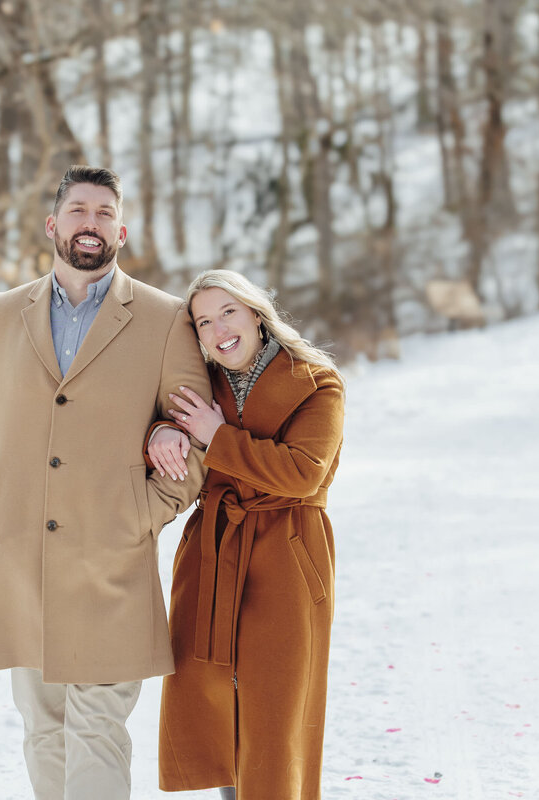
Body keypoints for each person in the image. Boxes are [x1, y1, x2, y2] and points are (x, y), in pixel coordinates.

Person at [0, 165, 211, 800]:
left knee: (97, 726)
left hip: (111, 559)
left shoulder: (164, 318)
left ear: (120, 229)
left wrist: (144, 515)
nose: (89, 224)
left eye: (102, 213)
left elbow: (198, 436)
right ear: (53, 224)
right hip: (24, 560)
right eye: (77, 211)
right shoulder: (2, 314)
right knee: (44, 726)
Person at [146, 269, 345, 800]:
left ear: (256, 312)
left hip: (286, 550)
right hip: (215, 548)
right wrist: (163, 430)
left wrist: (218, 437)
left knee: (275, 709)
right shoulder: (200, 380)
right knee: (215, 702)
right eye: (204, 321)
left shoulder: (316, 381)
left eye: (228, 312)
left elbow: (304, 472)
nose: (218, 329)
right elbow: (158, 419)